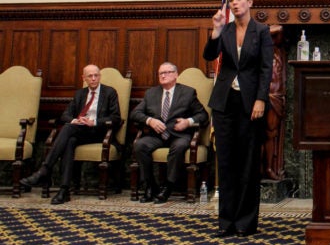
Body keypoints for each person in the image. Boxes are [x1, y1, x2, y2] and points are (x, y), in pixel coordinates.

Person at [203, 0, 273, 237]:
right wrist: (216, 30)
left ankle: (245, 222)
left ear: (250, 2)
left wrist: (261, 99)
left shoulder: (262, 31)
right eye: (231, 0)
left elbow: (266, 69)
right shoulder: (226, 30)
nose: (234, 3)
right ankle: (226, 221)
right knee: (227, 162)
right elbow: (208, 55)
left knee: (248, 162)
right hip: (224, 103)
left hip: (250, 103)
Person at [20, 65, 120, 205]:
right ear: (83, 78)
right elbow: (65, 115)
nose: (93, 78)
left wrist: (94, 122)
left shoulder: (109, 92)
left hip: (99, 133)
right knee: (70, 140)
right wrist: (76, 120)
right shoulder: (80, 94)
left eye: (96, 75)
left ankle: (45, 170)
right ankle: (64, 190)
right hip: (80, 131)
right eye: (90, 76)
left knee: (67, 130)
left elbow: (116, 118)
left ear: (99, 76)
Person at [129, 62, 209, 204]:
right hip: (157, 136)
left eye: (167, 72)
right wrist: (149, 121)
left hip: (179, 135)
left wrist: (188, 122)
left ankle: (167, 186)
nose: (163, 75)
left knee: (178, 148)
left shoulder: (188, 93)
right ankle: (150, 186)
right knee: (140, 145)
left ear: (176, 75)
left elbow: (203, 116)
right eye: (161, 73)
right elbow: (135, 113)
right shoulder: (151, 93)